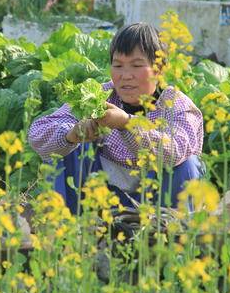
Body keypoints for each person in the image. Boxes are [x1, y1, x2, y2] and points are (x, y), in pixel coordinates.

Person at [28, 22, 204, 213]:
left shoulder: (177, 105)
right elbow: (39, 132)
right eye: (118, 65)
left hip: (157, 200)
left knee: (187, 163)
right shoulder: (99, 96)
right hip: (102, 196)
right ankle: (70, 224)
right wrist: (72, 134)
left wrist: (126, 123)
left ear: (159, 69)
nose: (126, 75)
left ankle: (175, 229)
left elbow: (175, 150)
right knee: (65, 147)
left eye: (136, 65)